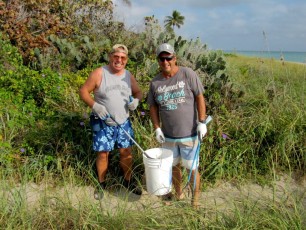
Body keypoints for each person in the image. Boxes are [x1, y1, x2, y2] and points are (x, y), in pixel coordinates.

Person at [147, 43, 208, 208]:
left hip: (190, 135)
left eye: (168, 58)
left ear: (175, 58)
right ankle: (179, 193)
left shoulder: (187, 74)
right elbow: (152, 106)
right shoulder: (155, 83)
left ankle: (195, 201)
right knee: (173, 167)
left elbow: (199, 97)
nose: (165, 62)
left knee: (192, 168)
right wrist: (157, 128)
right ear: (158, 61)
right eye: (162, 58)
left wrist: (202, 122)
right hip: (168, 136)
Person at [79, 44, 143, 199]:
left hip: (123, 122)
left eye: (122, 58)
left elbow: (139, 91)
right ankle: (101, 184)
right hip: (102, 122)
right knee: (102, 154)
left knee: (126, 152)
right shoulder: (100, 73)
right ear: (110, 57)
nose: (119, 60)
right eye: (116, 56)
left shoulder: (128, 75)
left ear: (126, 60)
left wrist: (136, 101)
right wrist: (94, 105)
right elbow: (83, 91)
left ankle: (127, 182)